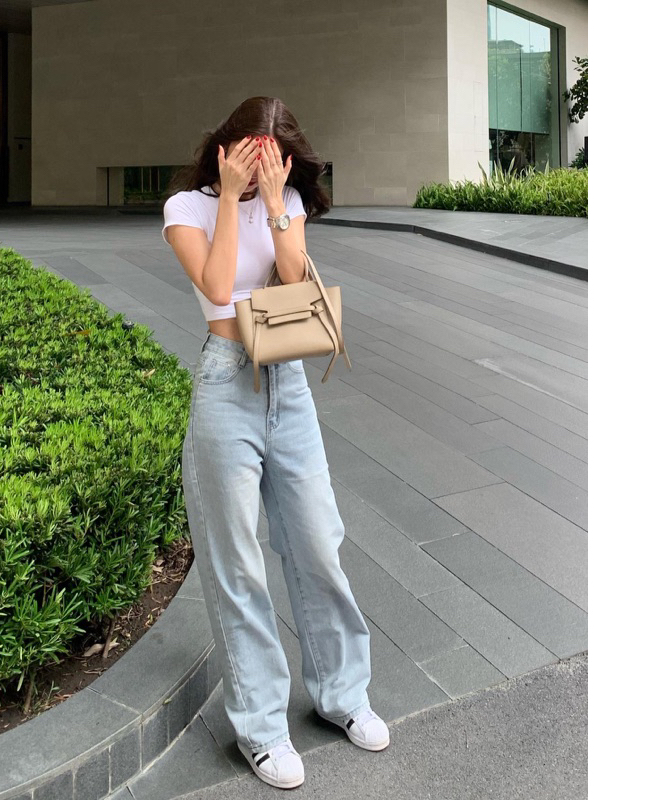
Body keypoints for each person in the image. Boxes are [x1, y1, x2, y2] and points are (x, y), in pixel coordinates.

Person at [161, 96, 389, 790]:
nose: (264, 167)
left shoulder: (284, 199)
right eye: (250, 155)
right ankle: (261, 728)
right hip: (224, 382)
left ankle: (342, 695)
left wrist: (273, 204)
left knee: (318, 540)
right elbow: (218, 285)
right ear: (225, 147)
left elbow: (293, 279)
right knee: (237, 563)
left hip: (287, 382)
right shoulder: (185, 208)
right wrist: (233, 200)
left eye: (274, 158)